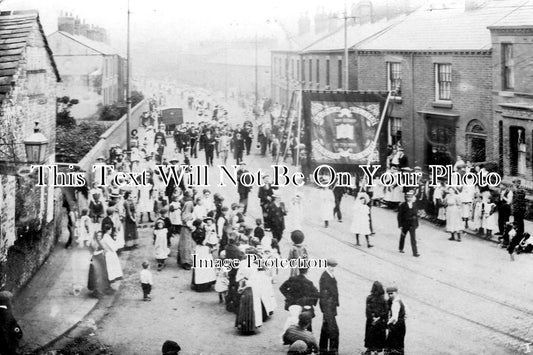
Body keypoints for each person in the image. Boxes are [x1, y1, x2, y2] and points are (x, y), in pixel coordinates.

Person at [319, 259, 339, 355]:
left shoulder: (329, 275)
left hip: (329, 308)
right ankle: (333, 350)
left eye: (334, 267)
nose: (333, 268)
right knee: (334, 330)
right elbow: (324, 296)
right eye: (331, 266)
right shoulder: (325, 277)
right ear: (327, 266)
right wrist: (327, 309)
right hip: (328, 308)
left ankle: (323, 349)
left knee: (325, 329)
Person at [364, 281, 388, 355]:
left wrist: (372, 318)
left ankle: (369, 350)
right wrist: (379, 317)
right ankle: (377, 351)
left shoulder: (369, 298)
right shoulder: (383, 299)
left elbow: (367, 310)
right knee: (378, 338)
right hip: (380, 322)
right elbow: (386, 311)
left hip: (371, 321)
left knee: (370, 336)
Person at [87, 231, 112, 298]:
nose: (99, 237)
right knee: (96, 275)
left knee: (102, 274)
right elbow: (93, 251)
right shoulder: (94, 242)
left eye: (100, 236)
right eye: (98, 235)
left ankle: (102, 289)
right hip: (96, 258)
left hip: (101, 259)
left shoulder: (101, 242)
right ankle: (97, 291)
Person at [397, 191, 420, 257]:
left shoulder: (414, 205)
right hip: (405, 224)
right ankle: (401, 248)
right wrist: (400, 225)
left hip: (412, 224)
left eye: (411, 197)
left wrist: (416, 224)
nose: (409, 198)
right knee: (403, 236)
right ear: (406, 198)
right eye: (408, 197)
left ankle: (415, 252)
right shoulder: (403, 205)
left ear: (412, 197)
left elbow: (416, 215)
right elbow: (399, 216)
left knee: (413, 238)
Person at [385, 286, 406, 355]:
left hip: (396, 326)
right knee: (399, 343)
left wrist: (387, 323)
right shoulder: (399, 300)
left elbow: (394, 317)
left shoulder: (395, 303)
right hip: (401, 325)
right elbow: (407, 313)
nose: (390, 295)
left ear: (396, 293)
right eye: (389, 294)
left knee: (392, 344)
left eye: (391, 293)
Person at [0, 291, 22, 355]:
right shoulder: (6, 314)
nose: (12, 303)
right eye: (11, 301)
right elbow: (17, 333)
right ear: (7, 302)